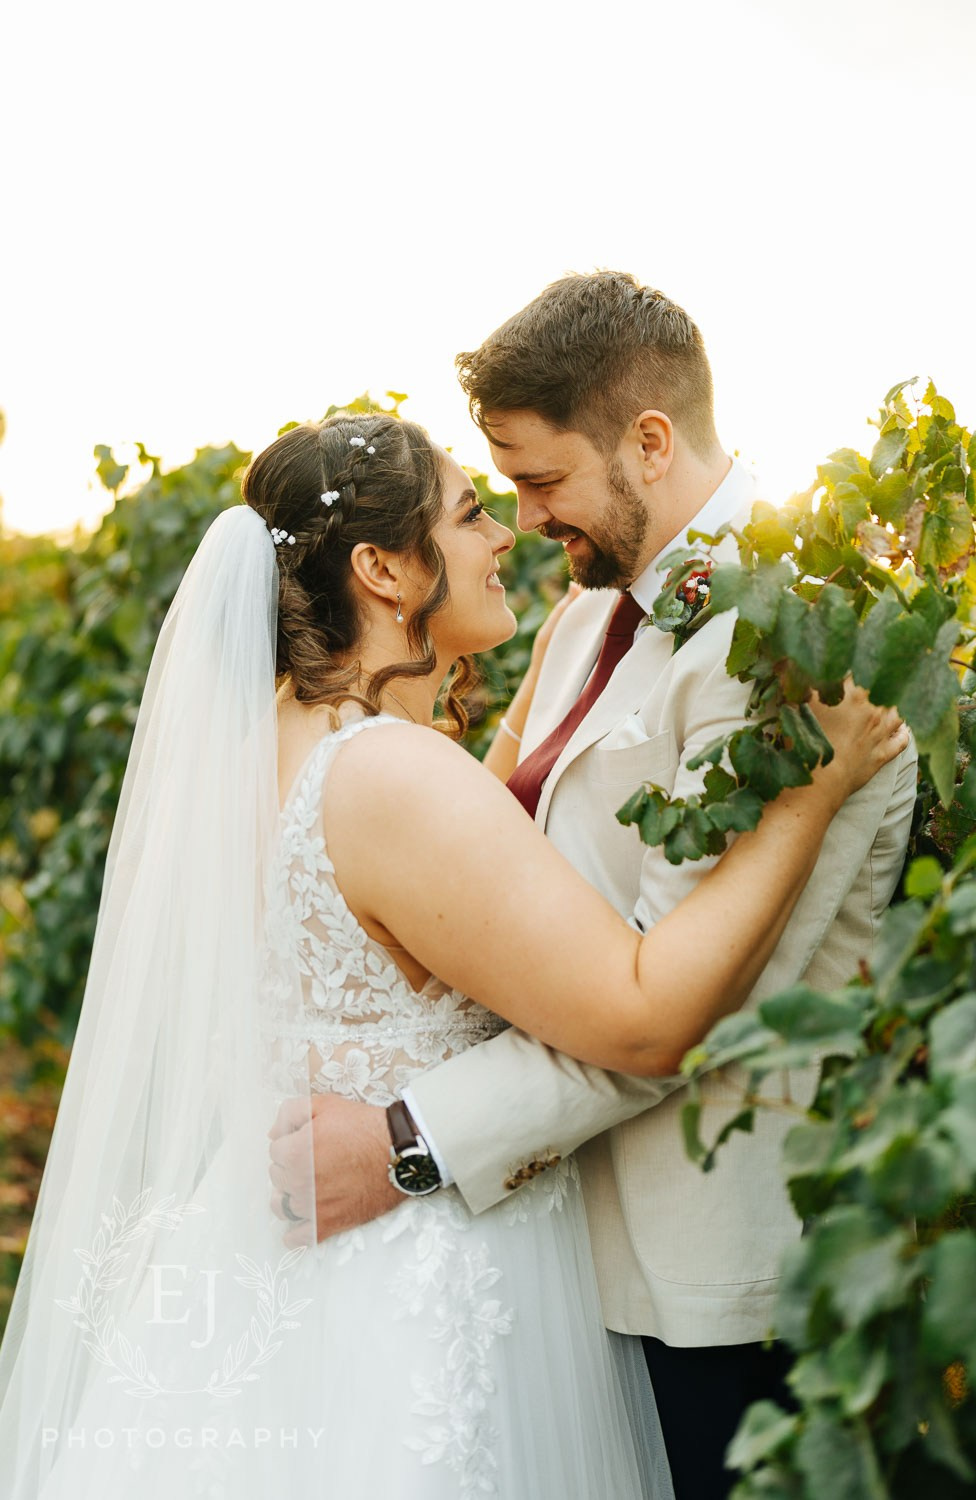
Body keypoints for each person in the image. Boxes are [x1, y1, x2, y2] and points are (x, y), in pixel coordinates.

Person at [0, 409, 905, 1500]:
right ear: (382, 568)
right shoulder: (392, 778)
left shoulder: (269, 748)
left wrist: (569, 647)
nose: (504, 536)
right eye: (472, 513)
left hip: (273, 1282)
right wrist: (807, 797)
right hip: (416, 1292)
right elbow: (638, 1017)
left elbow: (483, 799)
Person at [269, 274, 920, 1500]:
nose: (521, 518)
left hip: (712, 1279)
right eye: (499, 491)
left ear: (650, 442)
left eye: (539, 479)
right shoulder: (583, 621)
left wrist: (409, 1145)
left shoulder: (787, 645)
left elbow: (683, 1008)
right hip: (562, 1249)